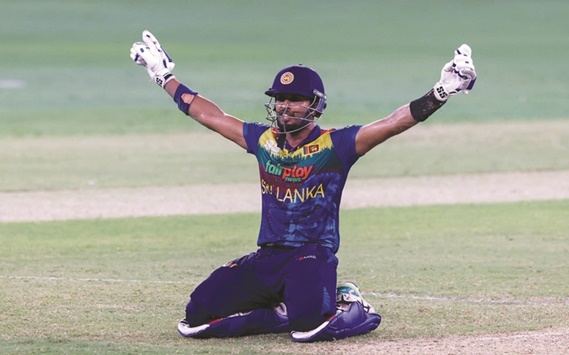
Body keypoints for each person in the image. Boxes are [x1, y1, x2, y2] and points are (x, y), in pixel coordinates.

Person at [130, 30, 476, 342]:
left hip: (312, 255)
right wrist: (164, 77)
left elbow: (393, 123)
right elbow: (211, 115)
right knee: (195, 318)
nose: (284, 106)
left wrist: (441, 91)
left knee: (309, 328)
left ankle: (352, 303)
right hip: (268, 257)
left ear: (315, 104)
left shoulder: (337, 145)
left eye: (294, 98)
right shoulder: (263, 140)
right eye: (280, 98)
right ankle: (282, 312)